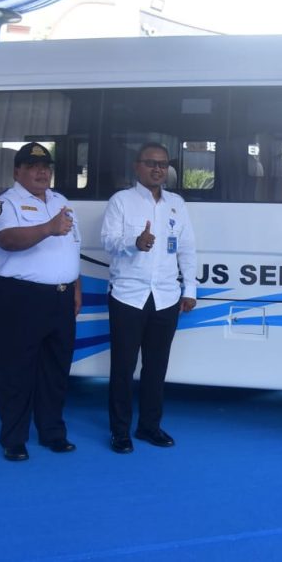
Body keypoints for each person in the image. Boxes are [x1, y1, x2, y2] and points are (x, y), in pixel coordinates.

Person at [0, 142, 81, 461]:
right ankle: (13, 438)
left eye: (46, 167)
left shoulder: (60, 201)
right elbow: (7, 240)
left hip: (61, 297)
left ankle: (52, 431)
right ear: (17, 172)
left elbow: (72, 247)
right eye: (32, 166)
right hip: (20, 298)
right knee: (17, 370)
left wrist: (75, 287)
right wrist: (47, 228)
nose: (42, 172)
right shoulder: (5, 203)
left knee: (55, 370)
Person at [100, 143, 197, 454]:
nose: (158, 169)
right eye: (151, 163)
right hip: (128, 296)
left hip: (166, 297)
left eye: (163, 164)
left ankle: (149, 427)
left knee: (156, 368)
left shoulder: (177, 204)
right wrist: (135, 242)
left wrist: (190, 289)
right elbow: (109, 242)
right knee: (123, 368)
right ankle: (120, 432)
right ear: (137, 167)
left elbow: (187, 249)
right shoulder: (121, 202)